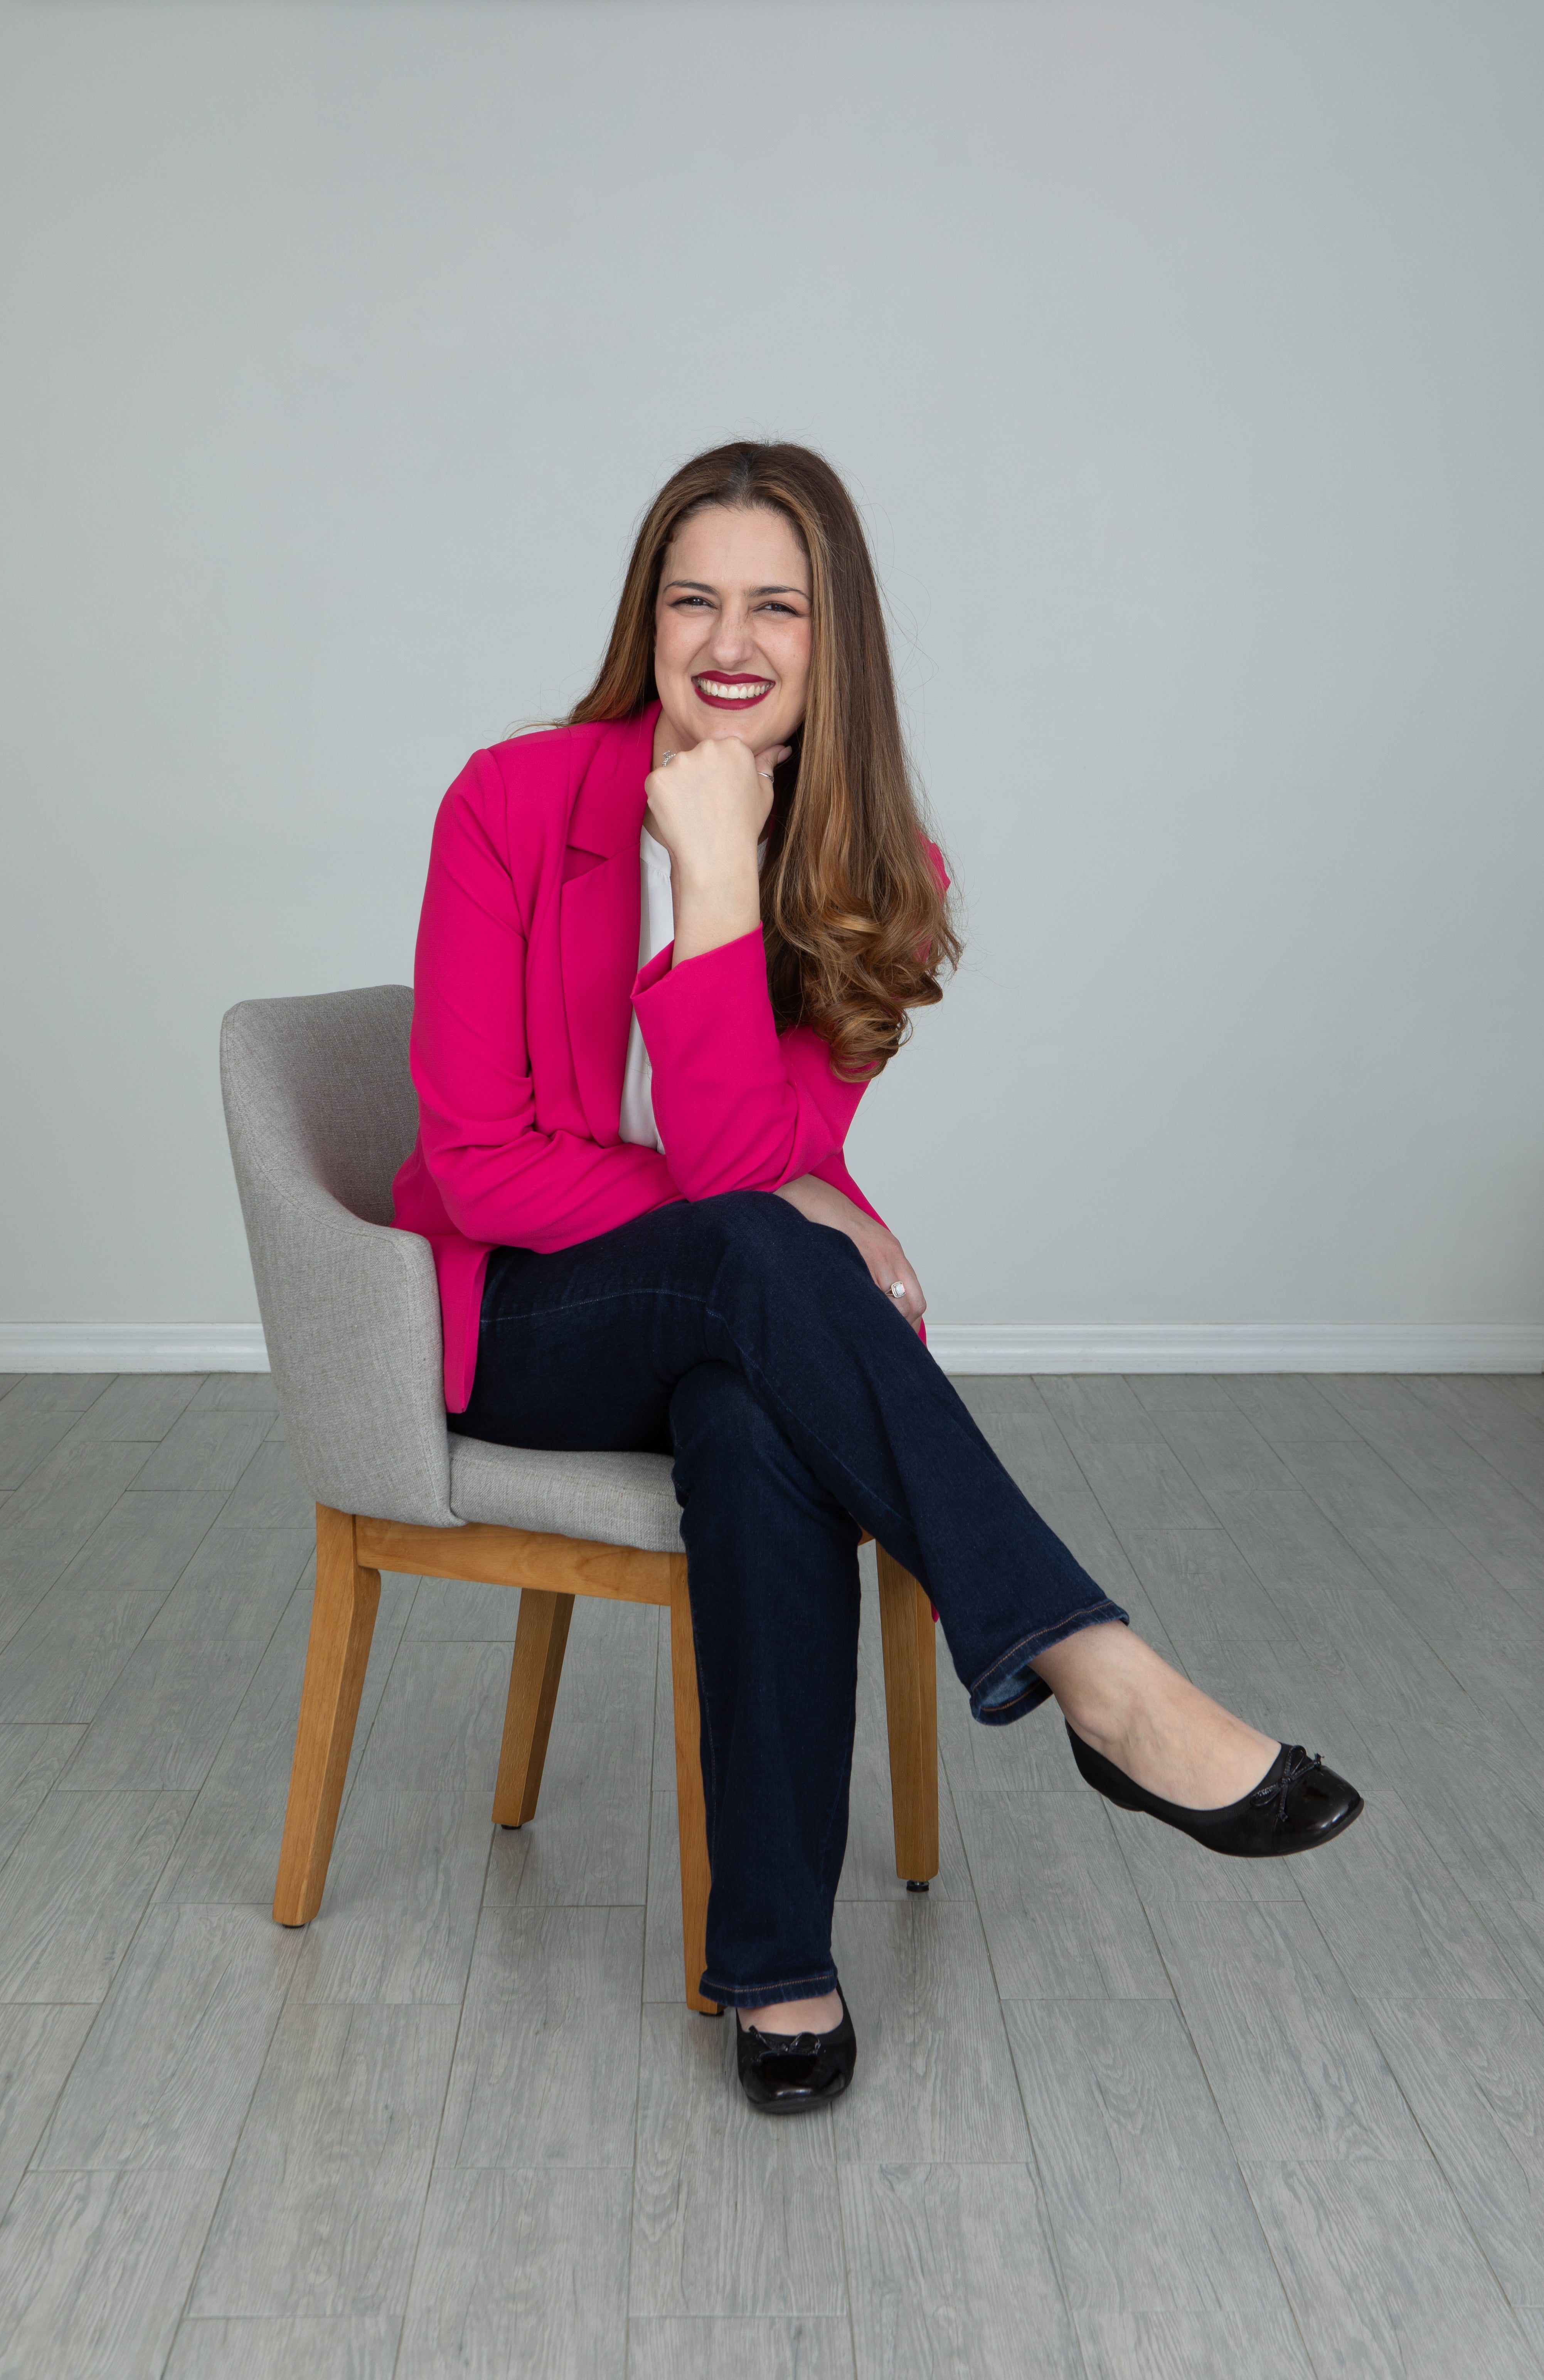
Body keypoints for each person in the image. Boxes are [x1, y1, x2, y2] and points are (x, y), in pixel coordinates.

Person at [392, 440, 1362, 2114]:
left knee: (753, 1416)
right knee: (766, 1258)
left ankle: (775, 1966)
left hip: (717, 1310)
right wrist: (703, 902)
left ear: (836, 641)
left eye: (778, 604)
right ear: (647, 615)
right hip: (527, 1317)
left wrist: (728, 909)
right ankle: (1099, 1673)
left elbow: (750, 1156)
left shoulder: (874, 864)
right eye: (692, 596)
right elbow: (489, 1163)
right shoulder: (508, 798)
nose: (729, 639)